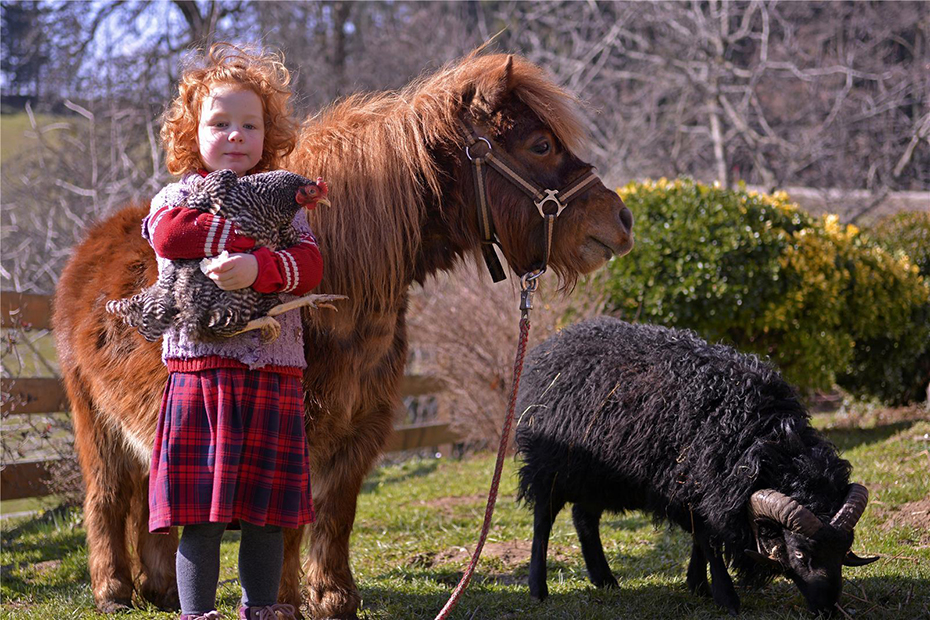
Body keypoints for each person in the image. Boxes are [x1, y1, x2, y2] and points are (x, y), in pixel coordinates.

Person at [144, 42, 320, 620]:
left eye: (250, 124)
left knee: (265, 513)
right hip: (203, 372)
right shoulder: (179, 198)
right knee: (201, 517)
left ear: (268, 134)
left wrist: (259, 271)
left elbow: (311, 267)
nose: (236, 135)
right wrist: (245, 242)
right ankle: (197, 614)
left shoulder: (288, 205)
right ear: (191, 132)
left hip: (272, 371)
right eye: (219, 123)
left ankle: (261, 609)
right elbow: (172, 238)